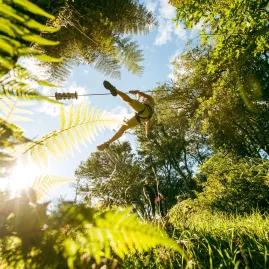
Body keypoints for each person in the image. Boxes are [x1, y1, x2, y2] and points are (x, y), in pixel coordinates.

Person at [97, 81, 155, 151]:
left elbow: (142, 94)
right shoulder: (147, 105)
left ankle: (115, 90)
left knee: (130, 101)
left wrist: (136, 92)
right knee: (123, 128)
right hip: (142, 118)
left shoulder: (149, 99)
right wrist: (147, 133)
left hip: (144, 113)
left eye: (143, 99)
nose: (142, 100)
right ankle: (108, 143)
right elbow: (147, 123)